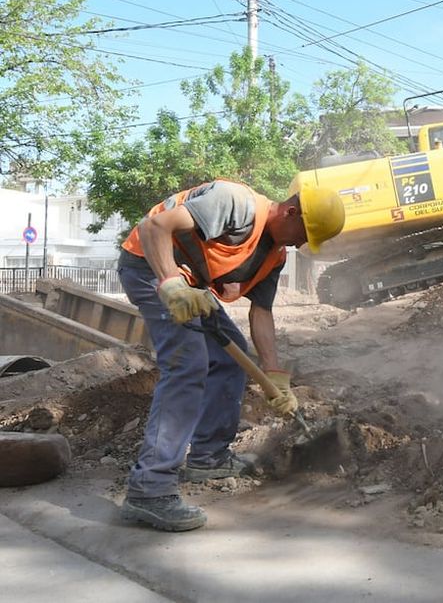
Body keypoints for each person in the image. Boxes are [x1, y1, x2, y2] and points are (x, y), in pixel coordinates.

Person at [116, 179, 345, 532]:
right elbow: (155, 226)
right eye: (304, 233)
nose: (301, 243)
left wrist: (274, 375)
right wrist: (171, 284)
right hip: (148, 267)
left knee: (228, 360)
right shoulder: (237, 203)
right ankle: (150, 488)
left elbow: (262, 313)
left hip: (189, 285)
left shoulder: (274, 256)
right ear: (291, 211)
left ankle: (209, 457)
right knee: (187, 366)